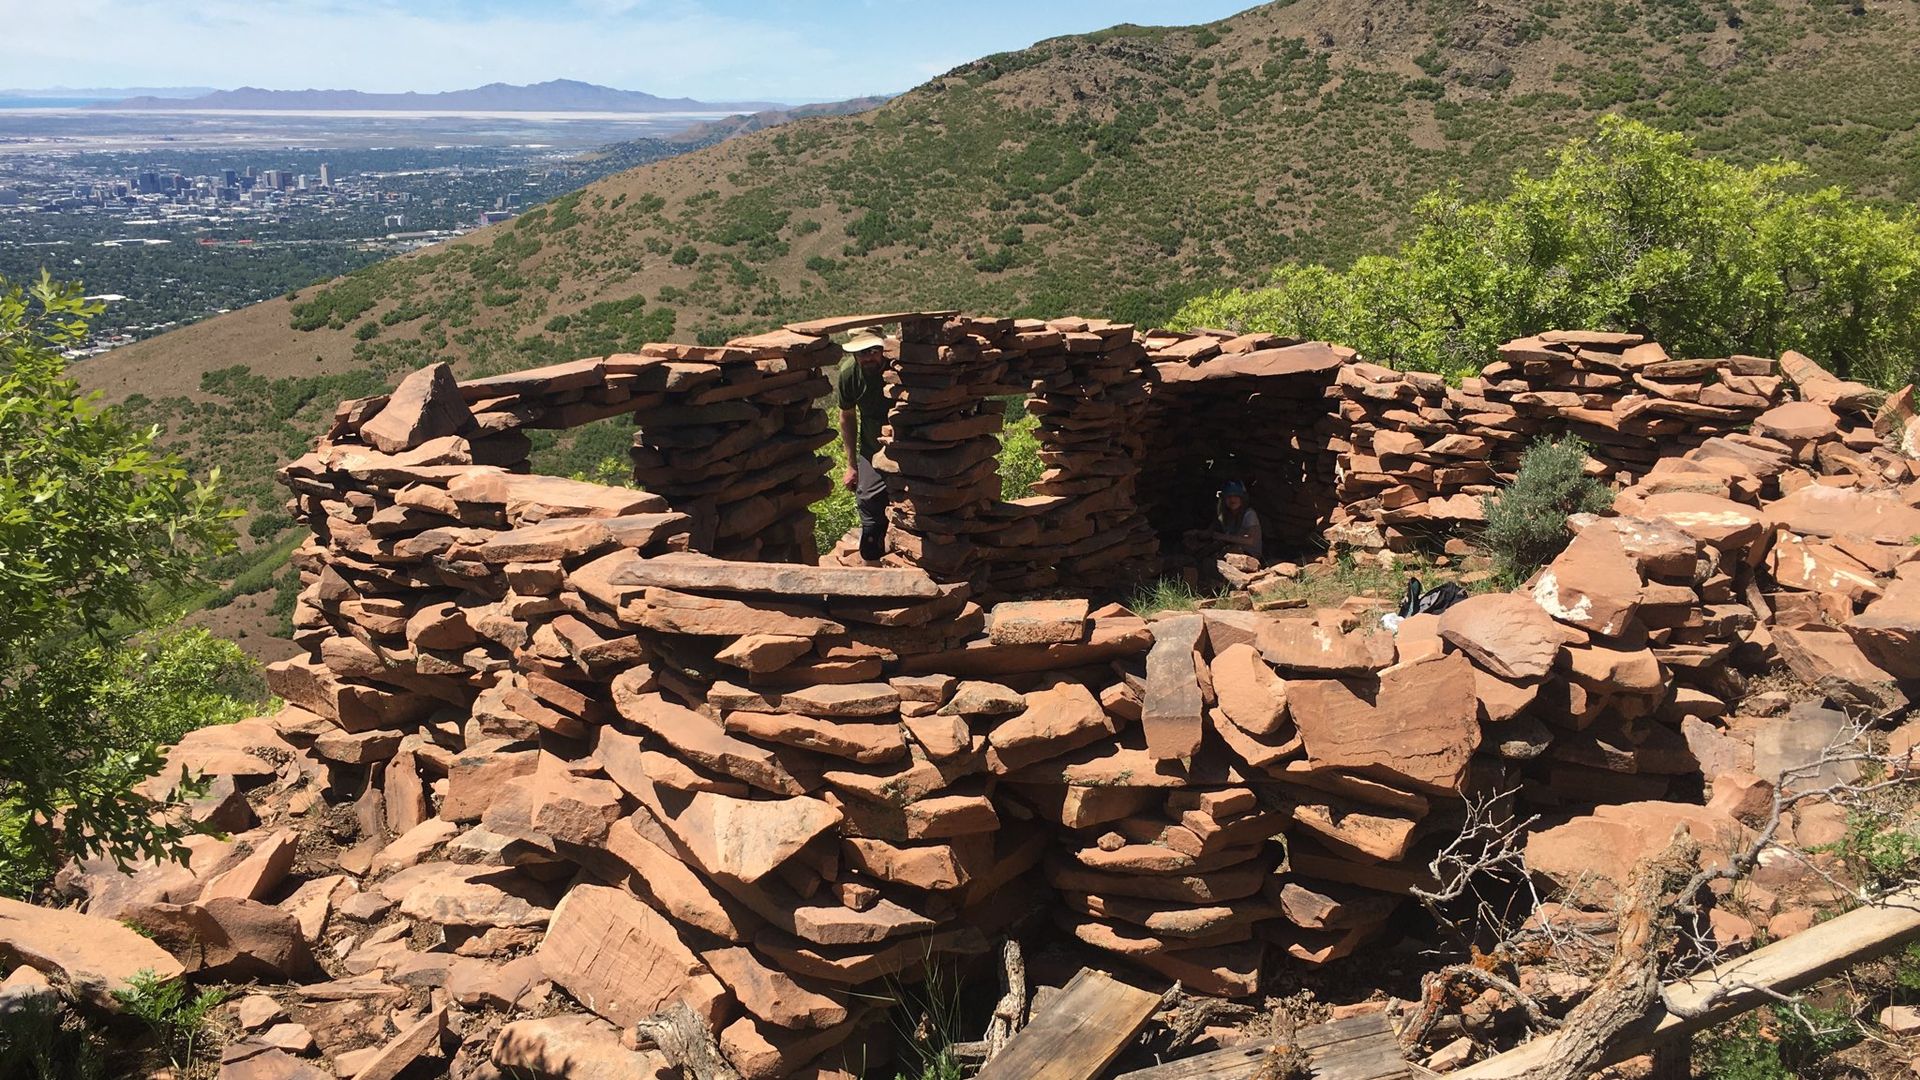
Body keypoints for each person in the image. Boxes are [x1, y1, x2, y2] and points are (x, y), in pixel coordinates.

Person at [835, 334, 891, 562]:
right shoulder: (849, 374)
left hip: (913, 444)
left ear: (882, 349)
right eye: (861, 353)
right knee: (868, 501)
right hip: (872, 448)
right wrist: (851, 465)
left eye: (872, 351)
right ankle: (872, 560)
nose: (867, 358)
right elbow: (847, 416)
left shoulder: (903, 368)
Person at [1208, 480, 1263, 560]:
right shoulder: (1225, 515)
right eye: (1229, 496)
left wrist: (1223, 537)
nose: (1232, 499)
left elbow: (1251, 540)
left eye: (1236, 496)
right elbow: (1211, 532)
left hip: (1249, 555)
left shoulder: (1249, 514)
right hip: (1232, 549)